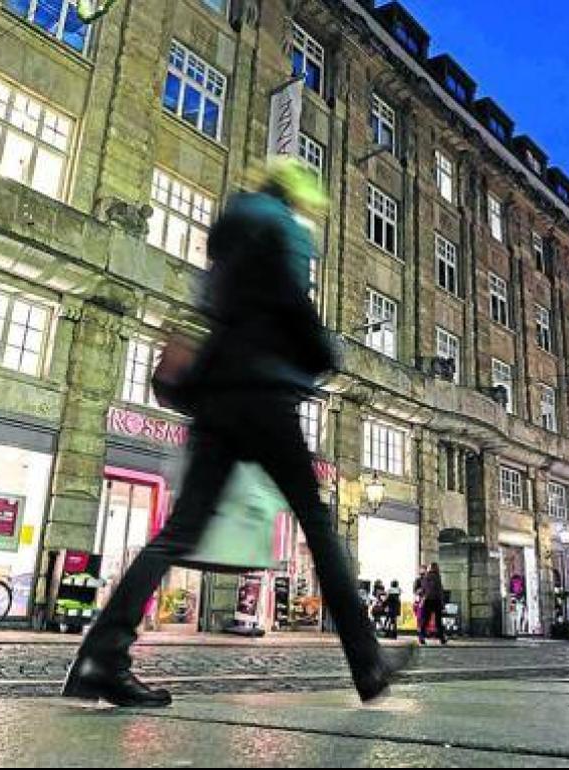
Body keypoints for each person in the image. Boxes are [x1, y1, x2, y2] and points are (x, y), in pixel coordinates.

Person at [63, 158, 411, 707]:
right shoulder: (284, 232)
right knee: (318, 525)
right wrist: (323, 350)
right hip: (266, 392)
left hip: (218, 393)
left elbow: (220, 309)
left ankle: (101, 657)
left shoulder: (228, 231)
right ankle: (368, 663)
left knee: (179, 532)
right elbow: (288, 304)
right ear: (295, 198)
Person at [418, 563, 448, 645]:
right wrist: (442, 603)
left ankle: (421, 637)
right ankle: (442, 638)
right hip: (436, 600)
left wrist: (423, 598)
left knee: (425, 619)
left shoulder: (425, 577)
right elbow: (440, 591)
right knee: (438, 621)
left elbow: (423, 589)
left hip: (427, 600)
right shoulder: (437, 577)